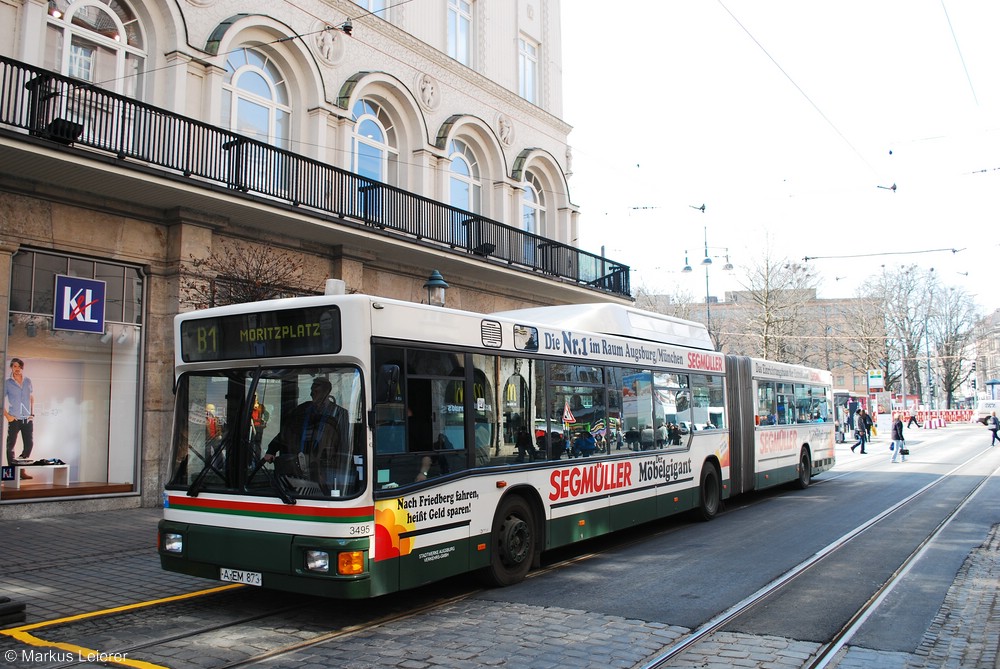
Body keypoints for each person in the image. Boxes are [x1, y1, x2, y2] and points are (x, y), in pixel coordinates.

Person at [264, 378, 348, 485]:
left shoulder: (340, 413)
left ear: (326, 391)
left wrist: (339, 467)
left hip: (324, 466)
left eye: (316, 391)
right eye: (311, 390)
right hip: (299, 463)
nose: (311, 394)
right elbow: (287, 432)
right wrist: (271, 449)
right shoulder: (302, 409)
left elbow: (344, 444)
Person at [4, 358, 35, 480]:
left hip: (27, 419)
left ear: (22, 368)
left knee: (29, 444)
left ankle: (20, 470)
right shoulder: (7, 383)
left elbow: (31, 398)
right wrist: (8, 416)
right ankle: (12, 473)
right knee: (10, 446)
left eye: (19, 367)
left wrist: (31, 414)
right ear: (11, 368)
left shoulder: (28, 381)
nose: (17, 369)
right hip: (15, 418)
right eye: (14, 366)